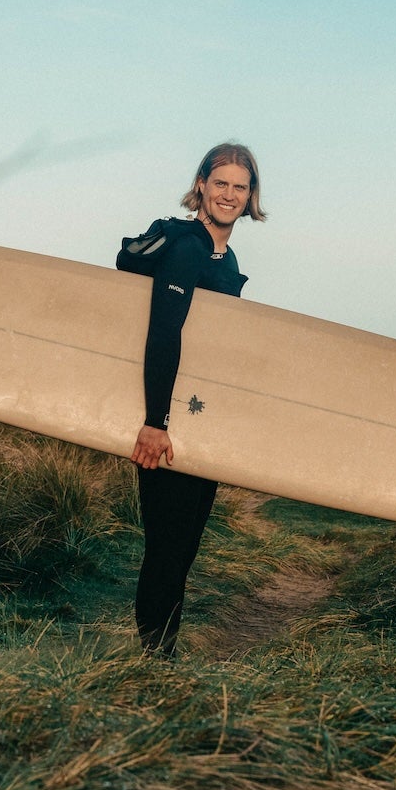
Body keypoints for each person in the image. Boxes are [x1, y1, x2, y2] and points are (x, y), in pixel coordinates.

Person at [123, 142, 265, 654]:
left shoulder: (225, 256)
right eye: (221, 182)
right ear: (201, 185)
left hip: (197, 417)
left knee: (183, 548)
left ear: (251, 196)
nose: (229, 194)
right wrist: (154, 421)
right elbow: (165, 333)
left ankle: (162, 653)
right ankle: (153, 661)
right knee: (166, 547)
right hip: (167, 417)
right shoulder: (188, 246)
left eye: (240, 186)